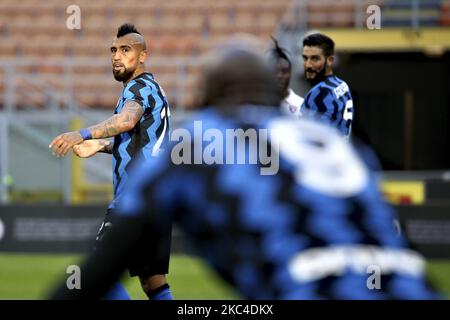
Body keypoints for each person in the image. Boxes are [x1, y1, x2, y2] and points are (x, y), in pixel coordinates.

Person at [51, 34, 438, 300]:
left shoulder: (203, 134)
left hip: (311, 290)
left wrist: (85, 135)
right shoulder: (331, 142)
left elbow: (97, 273)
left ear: (209, 98)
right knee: (155, 281)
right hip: (417, 289)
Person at [49, 23, 172, 300]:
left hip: (134, 200)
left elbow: (126, 120)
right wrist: (101, 145)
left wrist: (80, 133)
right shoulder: (155, 89)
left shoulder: (138, 88)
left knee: (96, 278)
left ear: (143, 56)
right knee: (153, 282)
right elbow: (141, 139)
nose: (116, 56)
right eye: (113, 50)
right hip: (157, 201)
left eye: (125, 50)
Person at [301, 33, 353, 138]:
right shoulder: (342, 85)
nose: (308, 65)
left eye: (315, 59)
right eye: (305, 58)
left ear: (330, 61)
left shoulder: (321, 92)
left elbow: (315, 141)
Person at [267, 37, 304, 117]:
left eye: (284, 71)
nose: (280, 76)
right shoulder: (259, 107)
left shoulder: (301, 105)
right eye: (275, 71)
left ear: (290, 73)